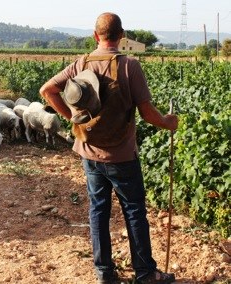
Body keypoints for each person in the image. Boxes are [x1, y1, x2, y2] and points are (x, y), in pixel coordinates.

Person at [39, 12, 178, 284]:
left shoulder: (81, 64)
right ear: (122, 37)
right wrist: (167, 122)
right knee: (134, 211)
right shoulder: (130, 66)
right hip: (122, 155)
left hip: (89, 152)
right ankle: (145, 273)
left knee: (98, 210)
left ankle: (104, 273)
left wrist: (73, 118)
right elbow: (148, 113)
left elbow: (47, 90)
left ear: (95, 36)